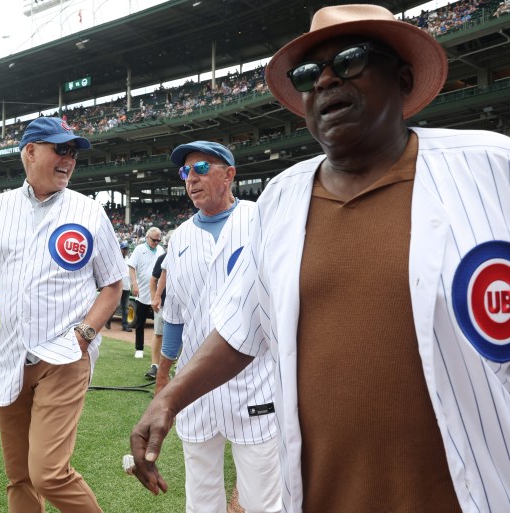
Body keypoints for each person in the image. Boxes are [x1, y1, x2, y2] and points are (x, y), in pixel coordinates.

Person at [130, 5, 510, 513]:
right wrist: (168, 397)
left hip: (472, 490)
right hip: (325, 492)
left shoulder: (491, 169)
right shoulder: (282, 199)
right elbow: (243, 324)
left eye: (349, 61)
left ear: (401, 78)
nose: (326, 79)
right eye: (309, 73)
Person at [0, 116, 127, 513]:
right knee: (20, 477)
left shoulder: (89, 211)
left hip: (64, 356)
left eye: (74, 152)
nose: (69, 159)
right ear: (30, 151)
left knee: (48, 472)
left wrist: (84, 335)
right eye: (60, 149)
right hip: (12, 357)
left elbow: (113, 285)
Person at [152, 141, 281, 513]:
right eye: (185, 172)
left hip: (254, 378)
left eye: (201, 168)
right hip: (195, 384)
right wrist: (165, 378)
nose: (191, 178)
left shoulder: (262, 219)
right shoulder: (179, 239)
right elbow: (174, 315)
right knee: (201, 498)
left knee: (263, 501)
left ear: (229, 174)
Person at [128, 226, 164, 358]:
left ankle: (161, 351)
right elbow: (131, 267)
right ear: (147, 238)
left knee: (160, 322)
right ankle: (139, 348)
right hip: (143, 290)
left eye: (158, 240)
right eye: (154, 240)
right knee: (140, 321)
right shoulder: (139, 249)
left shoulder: (160, 250)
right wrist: (134, 284)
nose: (156, 243)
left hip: (158, 291)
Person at [145, 230, 172, 379]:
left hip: (181, 304)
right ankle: (154, 366)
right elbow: (153, 280)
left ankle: (176, 367)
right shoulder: (163, 258)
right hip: (163, 303)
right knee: (158, 334)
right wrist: (154, 298)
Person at [105, 241, 133, 332]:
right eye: (124, 249)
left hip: (127, 287)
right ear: (120, 249)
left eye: (126, 249)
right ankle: (108, 319)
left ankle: (125, 326)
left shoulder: (129, 259)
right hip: (118, 286)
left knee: (125, 307)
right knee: (115, 305)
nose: (125, 250)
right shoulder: (116, 260)